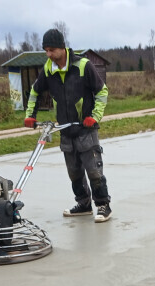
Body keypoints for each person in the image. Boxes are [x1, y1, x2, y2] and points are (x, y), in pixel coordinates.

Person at [24, 29, 111, 223]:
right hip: (65, 130)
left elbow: (102, 91)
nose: (48, 54)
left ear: (62, 47)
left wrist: (95, 117)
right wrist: (30, 115)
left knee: (94, 171)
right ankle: (83, 204)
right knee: (74, 173)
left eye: (52, 50)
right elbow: (35, 92)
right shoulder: (48, 69)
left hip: (86, 129)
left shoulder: (83, 66)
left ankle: (103, 205)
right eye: (46, 50)